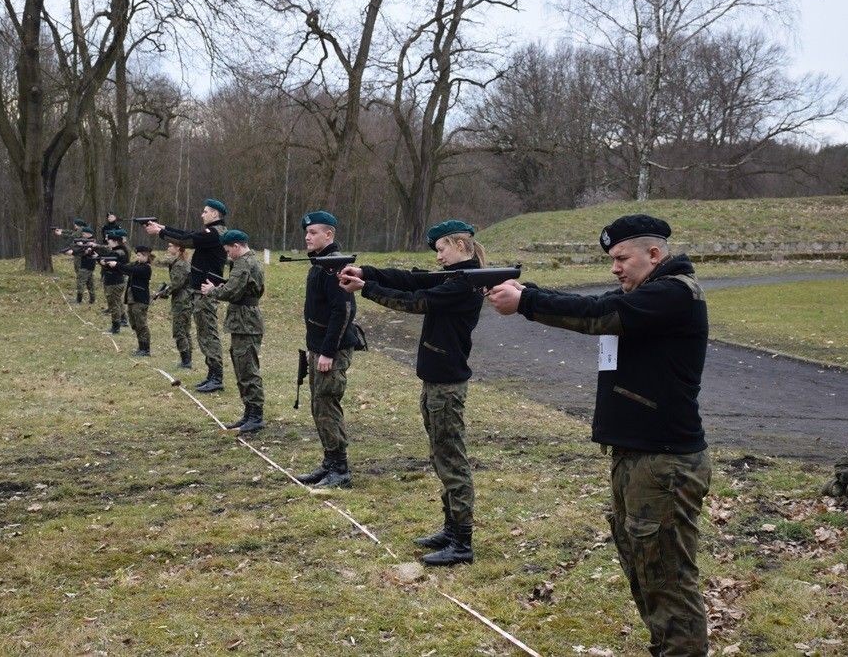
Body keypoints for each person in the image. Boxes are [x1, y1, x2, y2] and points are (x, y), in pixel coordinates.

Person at [487, 214, 711, 656]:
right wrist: (528, 292)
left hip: (663, 462)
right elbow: (590, 303)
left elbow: (596, 315)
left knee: (667, 578)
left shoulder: (674, 294)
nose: (615, 268)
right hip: (637, 456)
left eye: (622, 258)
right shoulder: (645, 294)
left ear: (654, 254)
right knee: (644, 568)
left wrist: (526, 301)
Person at [339, 220, 484, 566]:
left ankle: (461, 541)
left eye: (442, 249)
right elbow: (410, 279)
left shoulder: (464, 283)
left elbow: (416, 301)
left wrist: (366, 288)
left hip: (446, 386)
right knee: (441, 456)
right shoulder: (454, 277)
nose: (438, 257)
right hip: (436, 381)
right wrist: (367, 272)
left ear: (459, 246)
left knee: (451, 460)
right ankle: (451, 529)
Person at [294, 211, 361, 489]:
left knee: (327, 404)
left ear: (329, 234)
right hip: (318, 347)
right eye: (307, 233)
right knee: (318, 404)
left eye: (313, 233)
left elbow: (343, 311)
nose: (307, 237)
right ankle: (329, 462)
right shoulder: (320, 264)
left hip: (331, 350)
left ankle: (340, 468)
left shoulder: (334, 266)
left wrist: (328, 352)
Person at [144, 199, 228, 392]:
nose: (202, 214)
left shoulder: (215, 233)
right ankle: (212, 375)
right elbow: (187, 234)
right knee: (203, 334)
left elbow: (186, 240)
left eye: (206, 211)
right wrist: (163, 228)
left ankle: (217, 377)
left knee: (208, 334)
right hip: (201, 291)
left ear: (215, 214)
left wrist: (160, 232)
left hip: (206, 291)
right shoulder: (212, 232)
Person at [201, 230, 266, 434]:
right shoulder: (250, 261)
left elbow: (232, 291)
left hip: (246, 323)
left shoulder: (243, 263)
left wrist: (212, 291)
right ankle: (249, 413)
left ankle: (255, 416)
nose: (227, 254)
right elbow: (239, 288)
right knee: (242, 367)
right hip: (244, 321)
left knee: (247, 369)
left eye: (228, 250)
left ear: (236, 246)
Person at [105, 246, 153, 356]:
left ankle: (145, 349)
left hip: (140, 299)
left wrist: (117, 264)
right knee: (134, 323)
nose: (137, 257)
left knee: (141, 324)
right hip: (132, 299)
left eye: (139, 255)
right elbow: (125, 268)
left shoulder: (146, 268)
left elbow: (131, 270)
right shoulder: (137, 264)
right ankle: (141, 347)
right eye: (137, 255)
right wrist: (108, 264)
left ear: (146, 256)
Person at [158, 241, 194, 369]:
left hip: (182, 301)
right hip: (185, 299)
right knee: (185, 330)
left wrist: (162, 293)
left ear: (178, 248)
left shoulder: (180, 264)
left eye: (170, 246)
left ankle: (186, 360)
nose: (168, 248)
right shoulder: (180, 262)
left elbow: (176, 284)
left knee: (180, 331)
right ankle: (187, 359)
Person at [101, 229, 130, 334]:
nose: (108, 242)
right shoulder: (120, 251)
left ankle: (115, 327)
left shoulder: (117, 253)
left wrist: (103, 263)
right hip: (115, 281)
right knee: (117, 302)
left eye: (109, 240)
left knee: (113, 305)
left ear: (115, 241)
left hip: (114, 281)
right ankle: (122, 320)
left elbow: (115, 267)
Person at [62, 226, 97, 304]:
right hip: (88, 264)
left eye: (84, 234)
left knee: (80, 282)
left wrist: (76, 249)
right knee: (90, 282)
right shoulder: (87, 241)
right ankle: (92, 299)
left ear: (89, 234)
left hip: (87, 264)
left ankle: (78, 300)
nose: (82, 235)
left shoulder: (91, 242)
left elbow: (86, 252)